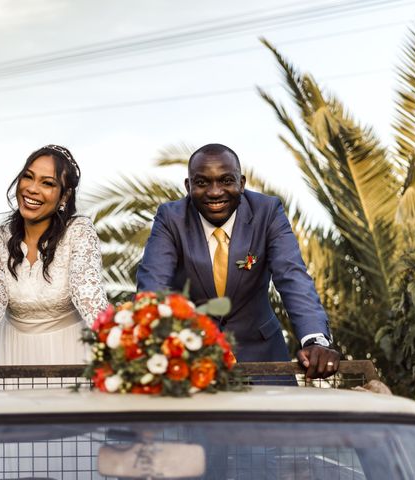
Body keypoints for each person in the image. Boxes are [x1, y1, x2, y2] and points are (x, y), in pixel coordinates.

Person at [136, 143, 340, 379]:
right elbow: (153, 284)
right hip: (190, 359)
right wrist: (147, 341)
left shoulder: (268, 212)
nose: (215, 192)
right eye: (202, 182)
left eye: (226, 181)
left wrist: (315, 339)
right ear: (188, 186)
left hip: (264, 356)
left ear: (241, 183)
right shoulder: (171, 218)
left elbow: (292, 276)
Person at [0, 145, 108, 376]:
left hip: (73, 350)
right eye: (28, 177)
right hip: (10, 351)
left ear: (64, 195)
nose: (32, 189)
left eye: (47, 183)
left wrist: (118, 341)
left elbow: (88, 294)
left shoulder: (79, 231)